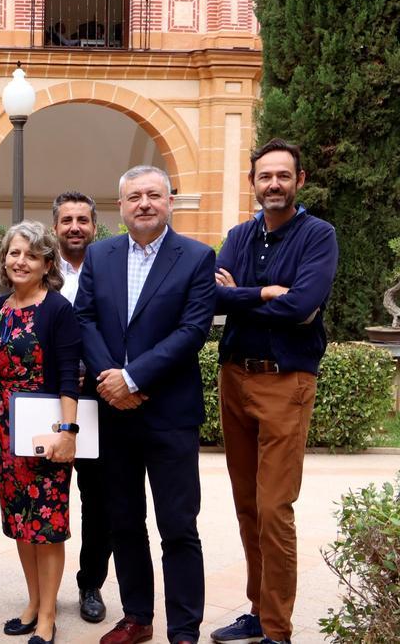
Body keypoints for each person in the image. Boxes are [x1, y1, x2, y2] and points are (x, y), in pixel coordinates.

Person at [74, 165, 215, 644]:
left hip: (169, 413)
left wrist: (133, 377)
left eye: (154, 194)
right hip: (114, 414)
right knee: (124, 521)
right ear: (121, 206)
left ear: (170, 201)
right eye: (134, 196)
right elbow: (85, 319)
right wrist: (109, 380)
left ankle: (183, 628)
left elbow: (193, 330)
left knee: (178, 527)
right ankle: (137, 618)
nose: (144, 203)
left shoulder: (196, 257)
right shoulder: (100, 255)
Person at [209, 139, 338, 644]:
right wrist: (261, 293)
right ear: (253, 183)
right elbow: (214, 293)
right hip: (234, 377)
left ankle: (277, 631)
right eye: (266, 177)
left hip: (287, 381)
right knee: (246, 505)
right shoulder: (239, 235)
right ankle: (257, 610)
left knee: (273, 508)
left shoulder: (318, 236)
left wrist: (238, 297)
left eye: (284, 176)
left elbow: (304, 305)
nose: (274, 185)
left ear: (299, 181)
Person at [0, 221, 81, 644]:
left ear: (46, 263)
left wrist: (67, 432)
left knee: (48, 522)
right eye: (14, 253)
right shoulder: (1, 306)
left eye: (30, 255)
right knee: (20, 521)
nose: (20, 261)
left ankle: (47, 615)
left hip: (46, 426)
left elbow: (68, 376)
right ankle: (32, 600)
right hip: (8, 427)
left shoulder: (57, 309)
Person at [50, 191, 111, 624]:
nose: (75, 227)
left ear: (94, 226)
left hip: (97, 398)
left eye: (83, 220)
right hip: (48, 399)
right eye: (67, 220)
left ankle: (91, 583)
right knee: (46, 495)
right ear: (55, 228)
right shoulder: (36, 269)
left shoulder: (109, 268)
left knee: (99, 498)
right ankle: (42, 591)